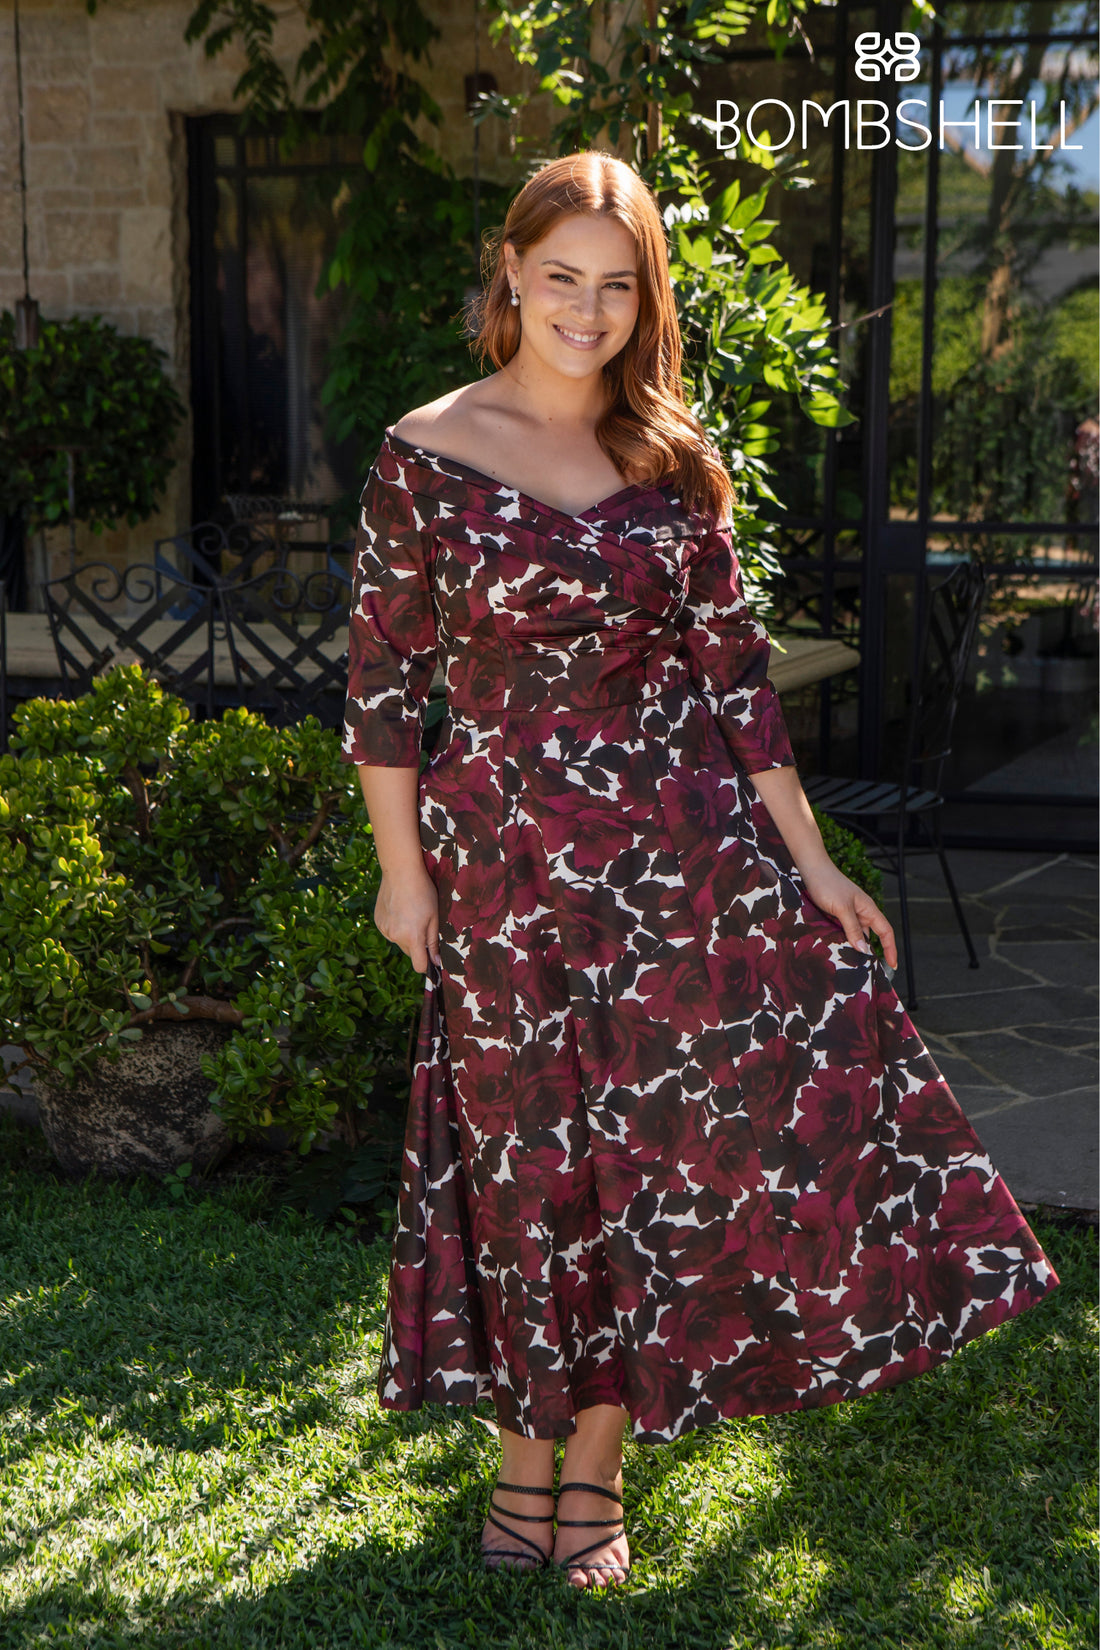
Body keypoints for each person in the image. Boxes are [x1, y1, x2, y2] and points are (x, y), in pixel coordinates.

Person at [342, 151, 1058, 1589]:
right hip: (500, 870)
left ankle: (591, 1484)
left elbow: (739, 690)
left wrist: (814, 865)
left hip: (680, 869)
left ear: (643, 298)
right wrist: (399, 871)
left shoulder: (671, 466)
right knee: (530, 1162)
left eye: (617, 286)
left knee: (651, 1170)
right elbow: (380, 685)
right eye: (562, 278)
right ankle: (520, 1464)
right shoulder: (426, 452)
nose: (586, 310)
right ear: (512, 273)